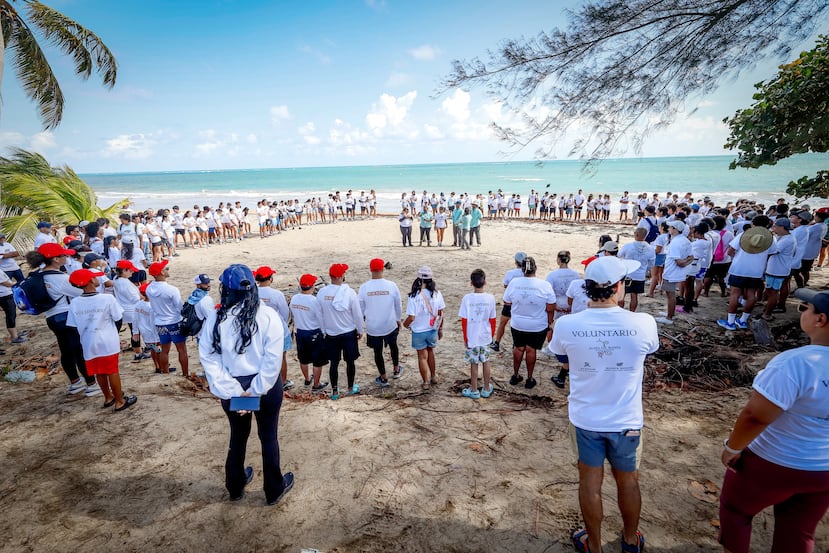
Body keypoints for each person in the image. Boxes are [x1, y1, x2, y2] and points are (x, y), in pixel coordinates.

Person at [548, 256, 659, 553]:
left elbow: (563, 361)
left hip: (586, 419)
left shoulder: (567, 325)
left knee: (589, 483)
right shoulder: (643, 323)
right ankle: (630, 539)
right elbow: (646, 352)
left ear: (586, 289)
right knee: (628, 482)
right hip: (627, 420)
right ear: (618, 287)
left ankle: (593, 546)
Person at [718, 287, 829, 553]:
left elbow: (756, 416)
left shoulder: (795, 363)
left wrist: (732, 448)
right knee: (799, 530)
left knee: (736, 512)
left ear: (820, 320)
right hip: (823, 469)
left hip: (774, 460)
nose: (802, 311)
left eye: (806, 308)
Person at [198, 264, 294, 505]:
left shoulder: (216, 318)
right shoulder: (267, 315)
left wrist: (236, 393)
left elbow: (209, 358)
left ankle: (235, 485)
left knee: (238, 437)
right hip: (265, 386)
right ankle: (273, 488)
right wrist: (254, 391)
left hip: (233, 385)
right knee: (268, 436)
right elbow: (273, 361)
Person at [26, 243, 100, 396]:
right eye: (63, 255)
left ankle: (75, 382)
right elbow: (81, 290)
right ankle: (91, 383)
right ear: (55, 260)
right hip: (66, 316)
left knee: (66, 350)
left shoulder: (40, 275)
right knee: (79, 350)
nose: (66, 257)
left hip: (52, 317)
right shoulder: (59, 278)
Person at [67, 268, 137, 411]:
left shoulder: (74, 302)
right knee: (112, 370)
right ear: (92, 281)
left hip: (88, 342)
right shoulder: (107, 298)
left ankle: (108, 397)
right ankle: (119, 401)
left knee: (99, 371)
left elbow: (72, 325)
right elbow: (118, 317)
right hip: (106, 340)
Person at [502, 256, 556, 390]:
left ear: (522, 269)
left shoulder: (514, 283)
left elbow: (507, 302)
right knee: (531, 350)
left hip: (518, 323)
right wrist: (549, 322)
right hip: (537, 324)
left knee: (519, 348)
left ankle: (515, 376)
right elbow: (551, 307)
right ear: (535, 269)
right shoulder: (545, 285)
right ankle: (529, 378)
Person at [718, 220, 774, 331]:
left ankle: (730, 322)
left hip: (739, 268)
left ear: (753, 225)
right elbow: (772, 253)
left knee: (735, 294)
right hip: (756, 270)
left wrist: (738, 257)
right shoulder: (771, 239)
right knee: (751, 294)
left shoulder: (743, 235)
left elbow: (730, 251)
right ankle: (743, 320)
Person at [318, 263, 363, 400]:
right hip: (348, 332)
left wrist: (323, 330)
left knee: (334, 363)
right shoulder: (349, 292)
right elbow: (357, 314)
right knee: (350, 362)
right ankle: (350, 387)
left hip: (331, 333)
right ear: (341, 276)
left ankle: (335, 391)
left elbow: (319, 314)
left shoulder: (322, 292)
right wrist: (360, 329)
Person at [358, 258, 403, 387]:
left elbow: (360, 308)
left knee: (377, 352)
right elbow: (398, 304)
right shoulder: (391, 285)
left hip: (373, 326)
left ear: (370, 270)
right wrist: (398, 319)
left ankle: (383, 377)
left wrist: (360, 326)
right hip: (389, 323)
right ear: (383, 269)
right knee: (393, 346)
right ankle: (395, 369)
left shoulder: (364, 287)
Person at [402, 266, 445, 391]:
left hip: (418, 331)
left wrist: (405, 325)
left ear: (418, 279)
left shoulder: (413, 296)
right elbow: (441, 313)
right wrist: (440, 329)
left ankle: (425, 382)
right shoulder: (437, 294)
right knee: (431, 352)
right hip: (432, 329)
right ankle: (433, 377)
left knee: (422, 357)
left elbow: (411, 317)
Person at [145, 260, 189, 376]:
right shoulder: (172, 289)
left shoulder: (149, 289)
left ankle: (165, 373)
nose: (167, 270)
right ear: (161, 273)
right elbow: (179, 307)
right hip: (174, 321)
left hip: (160, 322)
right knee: (181, 349)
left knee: (164, 349)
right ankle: (185, 374)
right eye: (165, 269)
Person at [253, 267, 295, 389]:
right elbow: (285, 313)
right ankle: (283, 381)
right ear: (270, 278)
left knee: (261, 355)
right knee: (281, 357)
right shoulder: (276, 294)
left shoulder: (254, 292)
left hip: (259, 327)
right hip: (277, 327)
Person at [459, 269, 496, 399]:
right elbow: (492, 320)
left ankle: (474, 389)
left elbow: (464, 320)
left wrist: (465, 338)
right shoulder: (490, 298)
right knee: (486, 361)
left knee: (474, 363)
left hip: (472, 336)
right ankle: (486, 388)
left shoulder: (467, 299)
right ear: (485, 282)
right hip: (485, 336)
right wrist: (491, 335)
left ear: (471, 283)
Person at [289, 274, 328, 392]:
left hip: (300, 332)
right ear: (312, 287)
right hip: (314, 332)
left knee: (303, 358)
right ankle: (316, 385)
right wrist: (324, 332)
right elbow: (320, 319)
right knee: (317, 361)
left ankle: (307, 379)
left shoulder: (294, 298)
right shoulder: (314, 301)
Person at [656, 221, 693, 325]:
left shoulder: (676, 243)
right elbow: (691, 257)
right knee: (671, 294)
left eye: (670, 227)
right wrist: (685, 263)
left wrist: (683, 263)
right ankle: (670, 312)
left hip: (671, 272)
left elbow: (679, 262)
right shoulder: (685, 240)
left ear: (676, 229)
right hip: (679, 272)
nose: (668, 229)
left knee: (670, 294)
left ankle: (669, 317)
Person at [491, 252, 527, 352]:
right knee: (519, 325)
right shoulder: (526, 273)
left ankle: (497, 343)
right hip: (521, 302)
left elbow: (506, 285)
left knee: (503, 323)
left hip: (510, 301)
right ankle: (516, 343)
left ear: (516, 262)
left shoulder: (511, 273)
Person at [112, 260, 145, 361]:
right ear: (124, 270)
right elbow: (135, 298)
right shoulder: (124, 282)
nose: (132, 272)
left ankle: (138, 351)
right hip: (131, 310)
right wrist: (143, 296)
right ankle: (138, 353)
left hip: (124, 308)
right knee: (136, 332)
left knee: (134, 331)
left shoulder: (116, 279)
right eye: (130, 271)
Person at [618, 228, 655, 312]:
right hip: (640, 275)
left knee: (622, 294)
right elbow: (652, 262)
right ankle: (632, 312)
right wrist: (645, 270)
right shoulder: (650, 248)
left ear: (637, 234)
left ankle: (620, 311)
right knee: (634, 295)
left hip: (628, 273)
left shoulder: (628, 246)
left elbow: (619, 256)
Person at [134, 282, 162, 372]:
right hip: (153, 333)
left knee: (154, 350)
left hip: (145, 333)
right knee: (158, 350)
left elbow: (135, 319)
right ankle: (161, 367)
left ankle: (157, 366)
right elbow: (153, 322)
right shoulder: (152, 306)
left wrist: (135, 332)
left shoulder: (138, 304)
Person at [0, 269, 26, 348]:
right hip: (4, 296)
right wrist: (19, 283)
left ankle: (14, 333)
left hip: (6, 294)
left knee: (12, 315)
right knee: (10, 315)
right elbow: (7, 284)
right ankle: (14, 337)